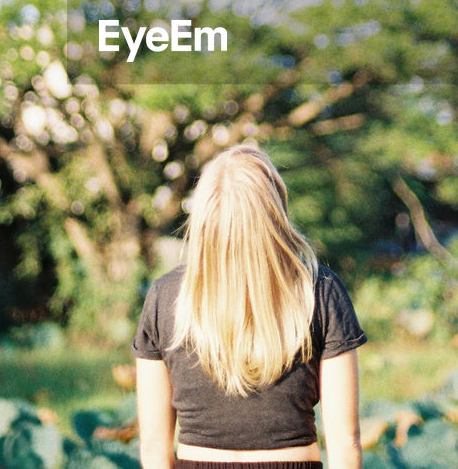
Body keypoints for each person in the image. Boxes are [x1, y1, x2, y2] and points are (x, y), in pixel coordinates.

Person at [132, 144, 366, 469]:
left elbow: (154, 447)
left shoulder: (165, 295)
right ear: (275, 212)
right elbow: (346, 442)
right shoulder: (320, 291)